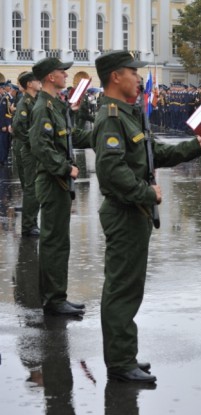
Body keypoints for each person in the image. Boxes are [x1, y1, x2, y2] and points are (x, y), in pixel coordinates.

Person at [92, 50, 201, 383]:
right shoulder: (112, 117)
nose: (138, 77)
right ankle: (119, 364)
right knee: (121, 290)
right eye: (133, 72)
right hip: (126, 211)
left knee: (129, 289)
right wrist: (147, 193)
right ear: (116, 76)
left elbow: (152, 152)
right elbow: (111, 171)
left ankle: (124, 356)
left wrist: (194, 147)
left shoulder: (129, 114)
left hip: (134, 211)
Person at [29, 57, 92, 316]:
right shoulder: (43, 107)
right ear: (50, 77)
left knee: (58, 240)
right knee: (54, 242)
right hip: (53, 180)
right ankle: (53, 300)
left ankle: (57, 295)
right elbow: (39, 144)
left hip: (59, 181)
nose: (66, 76)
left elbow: (69, 137)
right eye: (61, 72)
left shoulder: (55, 106)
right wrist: (65, 168)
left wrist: (98, 136)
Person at [12, 72, 42, 236]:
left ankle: (31, 223)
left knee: (34, 187)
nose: (40, 82)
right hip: (29, 150)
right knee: (31, 188)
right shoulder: (25, 102)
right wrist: (32, 143)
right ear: (29, 84)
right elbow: (18, 127)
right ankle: (29, 225)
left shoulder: (35, 100)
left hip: (32, 149)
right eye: (37, 80)